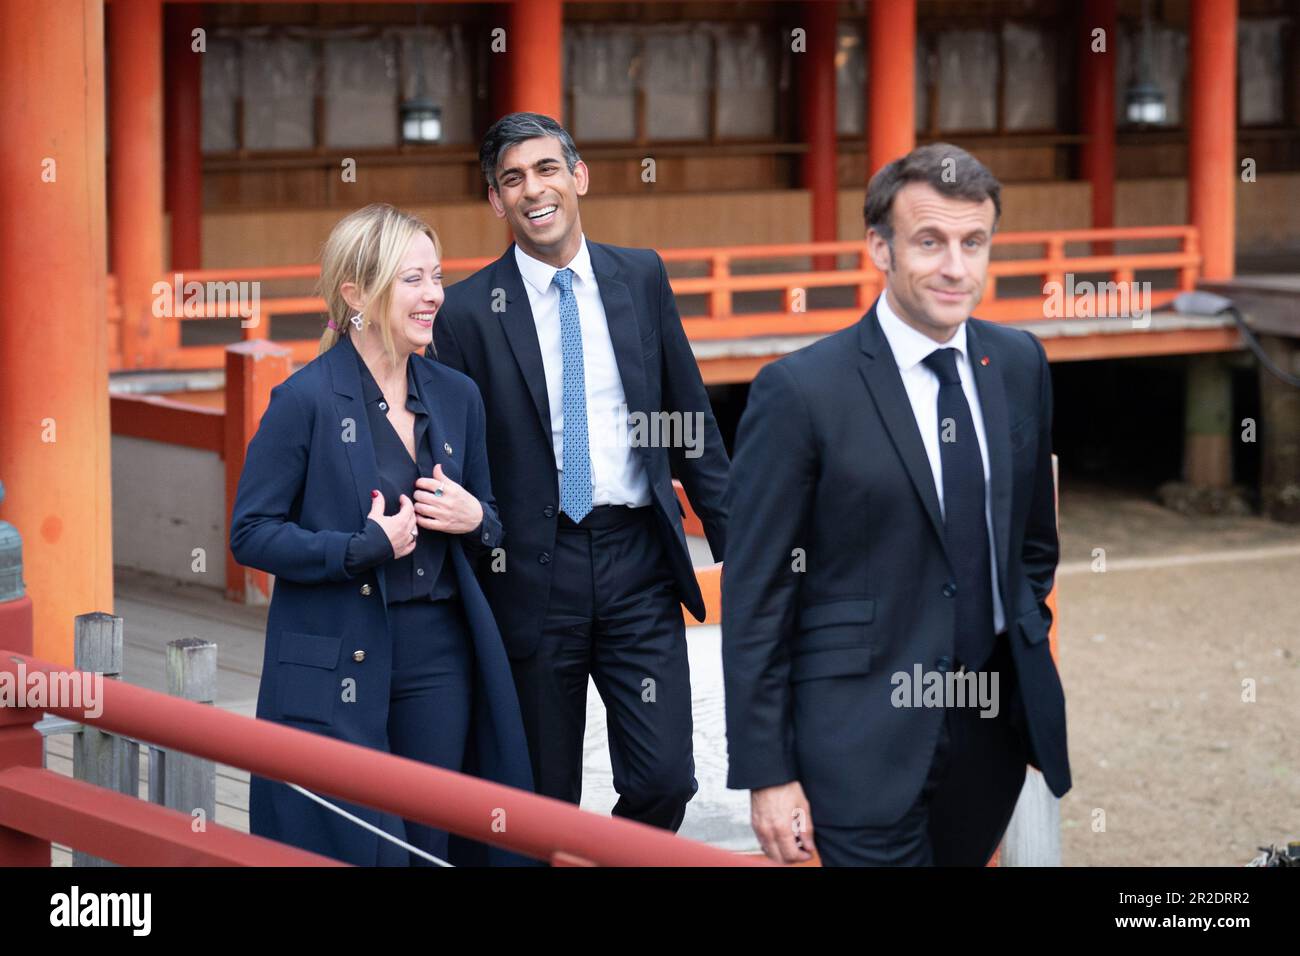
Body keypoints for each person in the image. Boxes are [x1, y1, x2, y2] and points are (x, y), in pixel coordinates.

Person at [722, 144, 1071, 866]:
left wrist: (1016, 634)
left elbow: (1032, 540)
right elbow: (757, 592)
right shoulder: (800, 392)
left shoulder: (1018, 363)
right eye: (930, 241)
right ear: (880, 247)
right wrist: (769, 774)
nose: (956, 267)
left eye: (974, 243)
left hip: (989, 731)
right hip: (856, 740)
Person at [430, 113, 729, 832]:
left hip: (638, 563)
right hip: (532, 572)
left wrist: (743, 550)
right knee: (540, 798)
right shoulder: (467, 312)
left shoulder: (641, 276)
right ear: (496, 201)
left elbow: (691, 424)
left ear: (578, 177)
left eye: (546, 169)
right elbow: (455, 457)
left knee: (665, 780)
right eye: (512, 179)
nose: (534, 190)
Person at [230, 203, 532, 866]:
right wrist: (356, 548)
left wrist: (475, 518)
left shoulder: (458, 396)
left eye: (438, 277)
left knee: (429, 843)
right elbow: (250, 533)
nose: (434, 296)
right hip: (336, 652)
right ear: (356, 294)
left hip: (439, 656)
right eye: (413, 280)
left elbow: (493, 522)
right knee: (354, 840)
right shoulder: (304, 399)